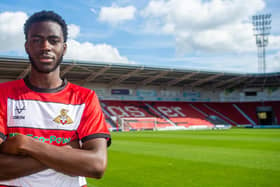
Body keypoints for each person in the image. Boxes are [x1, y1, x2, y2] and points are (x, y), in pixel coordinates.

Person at [0, 10, 111, 187]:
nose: (46, 46)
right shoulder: (2, 94)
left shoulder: (85, 98)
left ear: (63, 48)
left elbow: (96, 166)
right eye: (36, 40)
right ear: (27, 46)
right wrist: (67, 153)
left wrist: (25, 143)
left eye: (54, 40)